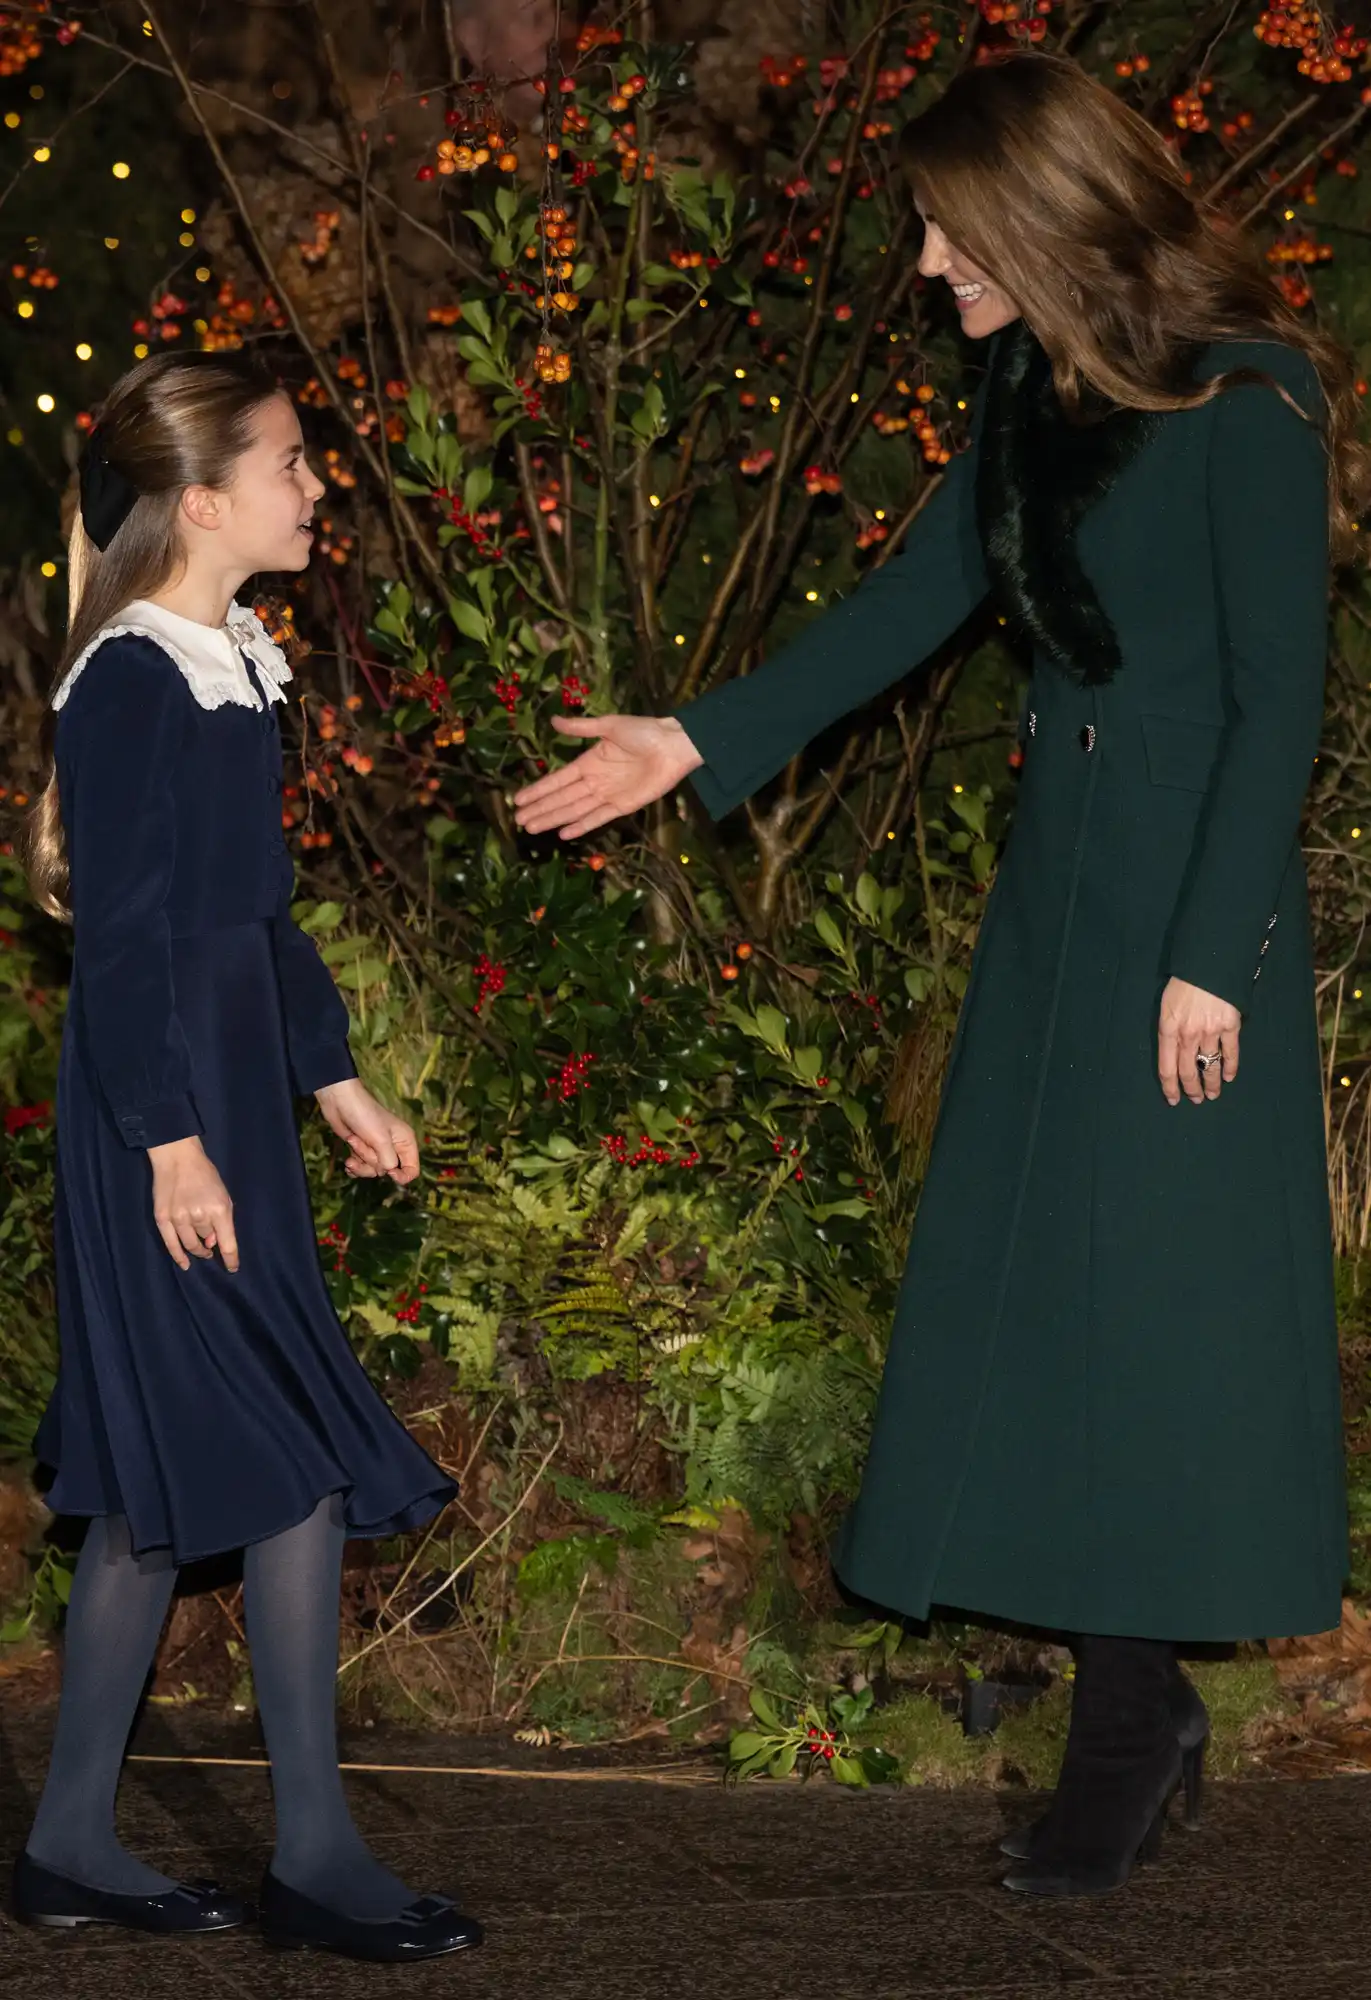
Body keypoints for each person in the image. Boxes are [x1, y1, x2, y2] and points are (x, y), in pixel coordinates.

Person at [513, 51, 1367, 1898]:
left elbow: (1273, 705)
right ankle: (1132, 1704)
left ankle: (1131, 1722)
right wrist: (692, 738)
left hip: (1182, 924)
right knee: (1051, 1305)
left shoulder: (1247, 395)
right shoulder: (1029, 382)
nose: (921, 264)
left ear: (1042, 219)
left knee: (1153, 1320)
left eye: (946, 230)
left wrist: (1208, 956)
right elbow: (915, 598)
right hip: (1059, 898)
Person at [13, 351, 482, 1962]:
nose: (313, 485)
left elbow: (255, 913)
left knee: (161, 1492)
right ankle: (318, 1857)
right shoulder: (134, 677)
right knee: (286, 1459)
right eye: (290, 463)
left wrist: (334, 1077)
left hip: (229, 1109)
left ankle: (71, 1840)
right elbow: (129, 943)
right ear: (203, 500)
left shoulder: (232, 657)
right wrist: (171, 1147)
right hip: (165, 1115)